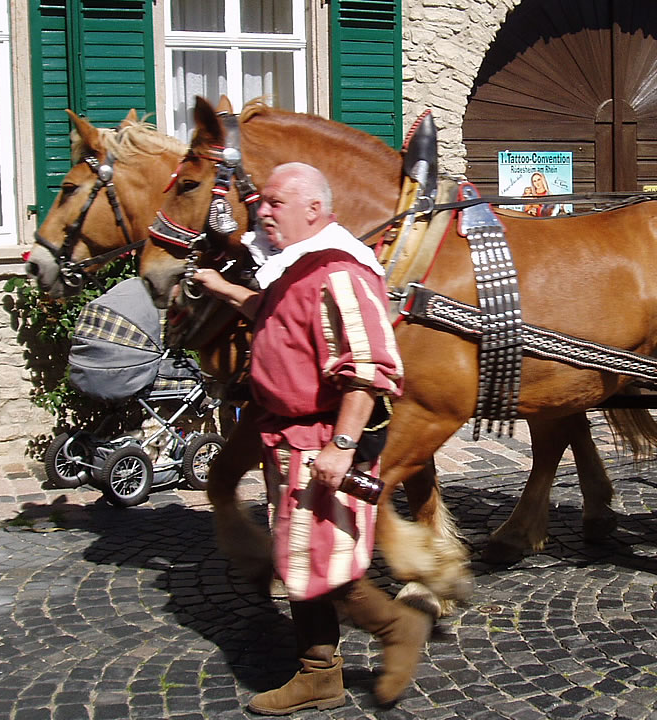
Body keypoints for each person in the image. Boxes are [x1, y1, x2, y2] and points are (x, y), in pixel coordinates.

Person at [194, 162, 432, 715]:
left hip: (323, 441)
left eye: (276, 202)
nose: (262, 210)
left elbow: (371, 366)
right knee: (298, 555)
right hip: (287, 439)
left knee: (321, 562)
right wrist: (225, 289)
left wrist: (342, 445)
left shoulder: (341, 272)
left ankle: (398, 627)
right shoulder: (297, 269)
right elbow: (277, 317)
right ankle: (319, 675)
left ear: (315, 209)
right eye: (261, 201)